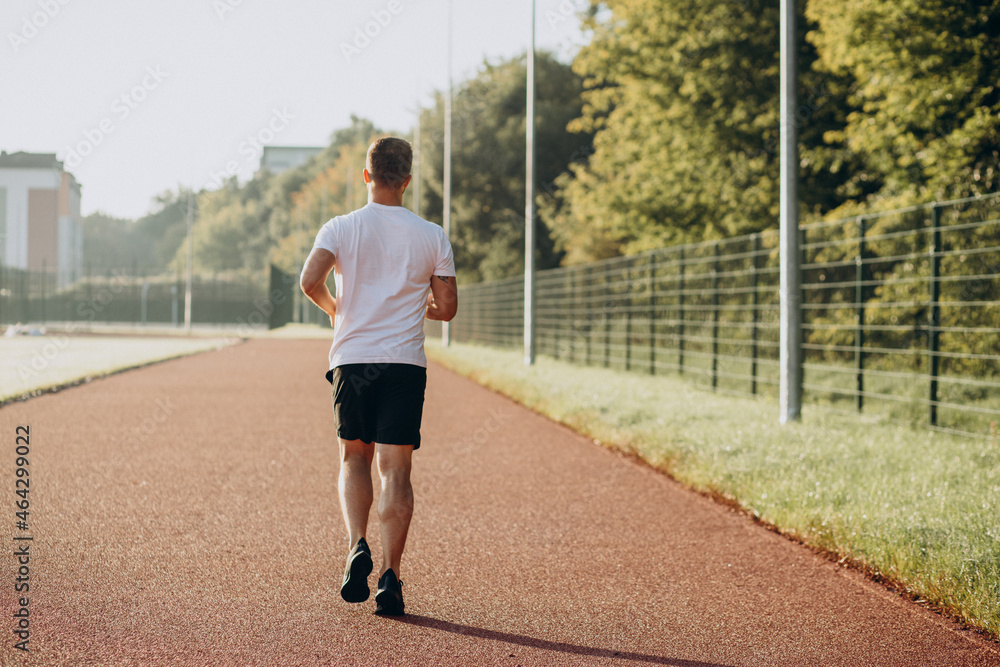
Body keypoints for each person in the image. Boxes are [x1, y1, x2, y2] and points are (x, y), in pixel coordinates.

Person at [300, 137, 458, 616]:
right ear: (408, 180)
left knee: (354, 459)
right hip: (404, 364)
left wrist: (336, 310)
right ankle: (390, 576)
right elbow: (447, 308)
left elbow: (309, 281)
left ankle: (357, 546)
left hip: (353, 360)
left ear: (366, 176)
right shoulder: (432, 235)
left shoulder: (341, 227)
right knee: (397, 470)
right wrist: (414, 304)